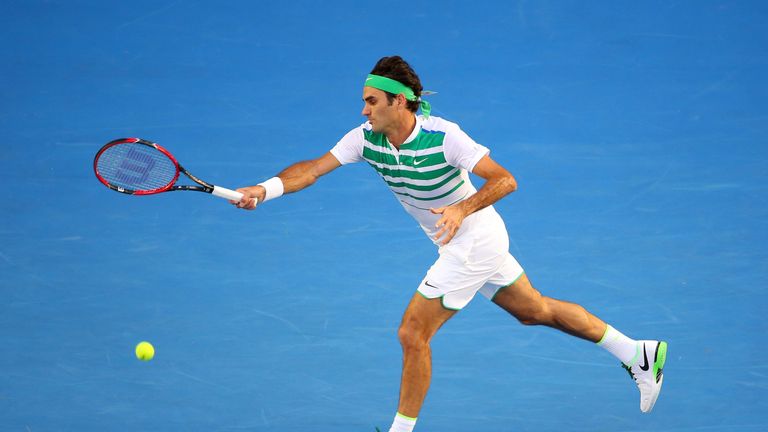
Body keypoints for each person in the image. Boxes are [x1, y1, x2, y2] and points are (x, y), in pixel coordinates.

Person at [231, 56, 667, 432]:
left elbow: (505, 180)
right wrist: (264, 189)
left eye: (371, 101)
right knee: (534, 310)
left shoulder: (444, 135)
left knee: (412, 333)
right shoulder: (364, 139)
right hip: (456, 242)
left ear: (398, 101)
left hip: (474, 239)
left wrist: (462, 208)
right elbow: (310, 170)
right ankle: (636, 351)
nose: (363, 110)